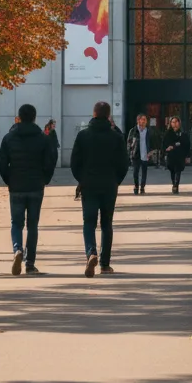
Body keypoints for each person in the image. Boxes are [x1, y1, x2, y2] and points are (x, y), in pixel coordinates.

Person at [70, 100, 130, 277]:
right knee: (106, 224)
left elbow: (75, 162)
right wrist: (116, 181)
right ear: (108, 116)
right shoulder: (116, 137)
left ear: (94, 114)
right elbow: (124, 163)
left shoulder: (83, 136)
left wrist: (81, 179)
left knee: (88, 222)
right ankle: (105, 263)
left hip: (89, 185)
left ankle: (91, 252)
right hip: (109, 185)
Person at [0, 103, 55, 275]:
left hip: (16, 185)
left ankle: (17, 249)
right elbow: (50, 162)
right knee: (32, 225)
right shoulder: (43, 138)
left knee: (16, 223)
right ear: (34, 117)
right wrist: (45, 179)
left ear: (19, 117)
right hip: (36, 186)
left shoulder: (9, 138)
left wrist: (9, 180)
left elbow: (2, 163)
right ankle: (30, 263)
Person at [162, 116, 191, 193]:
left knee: (178, 171)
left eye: (176, 122)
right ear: (170, 123)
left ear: (179, 123)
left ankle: (176, 185)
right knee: (172, 171)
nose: (175, 124)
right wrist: (166, 149)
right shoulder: (167, 133)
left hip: (180, 155)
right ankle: (174, 183)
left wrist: (187, 156)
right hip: (171, 156)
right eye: (173, 122)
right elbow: (164, 144)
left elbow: (187, 145)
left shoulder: (183, 133)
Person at [126, 113, 153, 195]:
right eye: (143, 119)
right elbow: (129, 143)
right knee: (135, 172)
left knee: (144, 172)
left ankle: (142, 187)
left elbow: (152, 142)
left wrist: (151, 151)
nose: (144, 121)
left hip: (145, 154)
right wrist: (129, 153)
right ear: (138, 121)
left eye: (145, 120)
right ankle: (136, 186)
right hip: (136, 154)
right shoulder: (133, 131)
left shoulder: (148, 131)